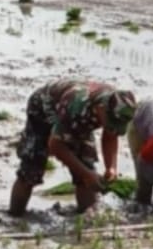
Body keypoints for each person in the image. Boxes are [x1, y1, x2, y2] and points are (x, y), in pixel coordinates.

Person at [10, 80, 137, 216]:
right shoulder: (76, 105)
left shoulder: (116, 105)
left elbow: (111, 135)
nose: (113, 126)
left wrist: (111, 168)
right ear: (101, 108)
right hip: (43, 111)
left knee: (86, 166)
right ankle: (15, 217)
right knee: (31, 168)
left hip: (79, 119)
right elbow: (55, 145)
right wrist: (86, 174)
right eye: (112, 122)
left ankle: (87, 217)